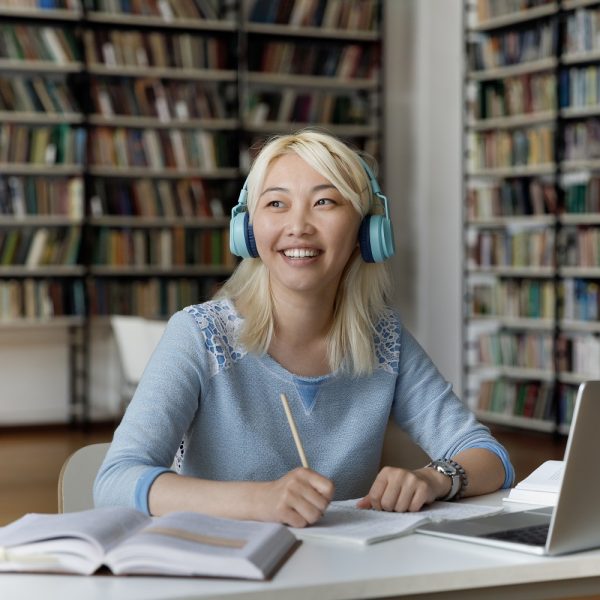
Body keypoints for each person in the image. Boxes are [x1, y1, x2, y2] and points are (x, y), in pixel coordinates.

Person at [94, 130, 514, 527]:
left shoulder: (384, 339)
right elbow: (114, 482)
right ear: (248, 229)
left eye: (325, 202)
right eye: (276, 204)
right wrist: (258, 501)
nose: (298, 226)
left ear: (366, 231)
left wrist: (435, 478)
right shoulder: (199, 334)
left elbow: (491, 457)